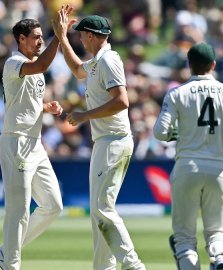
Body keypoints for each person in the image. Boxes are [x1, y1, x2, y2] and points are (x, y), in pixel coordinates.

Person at [52, 9, 146, 270]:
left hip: (114, 140)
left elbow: (122, 101)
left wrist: (84, 116)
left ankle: (132, 264)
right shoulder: (96, 62)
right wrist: (62, 38)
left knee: (102, 209)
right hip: (105, 141)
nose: (81, 39)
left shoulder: (108, 61)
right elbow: (77, 71)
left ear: (93, 36)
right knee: (98, 213)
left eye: (82, 35)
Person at [153, 42, 223, 270]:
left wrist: (175, 133)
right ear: (214, 65)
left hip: (187, 166)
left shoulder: (176, 93)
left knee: (184, 237)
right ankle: (219, 259)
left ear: (189, 65)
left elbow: (159, 131)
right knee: (217, 231)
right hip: (218, 168)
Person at [0, 7, 73, 269]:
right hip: (16, 142)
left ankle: (5, 251)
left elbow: (23, 102)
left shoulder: (36, 70)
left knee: (53, 205)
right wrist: (58, 37)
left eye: (41, 36)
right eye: (35, 37)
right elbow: (41, 63)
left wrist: (45, 108)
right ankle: (11, 264)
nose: (39, 41)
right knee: (19, 210)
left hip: (34, 144)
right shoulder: (14, 62)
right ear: (21, 39)